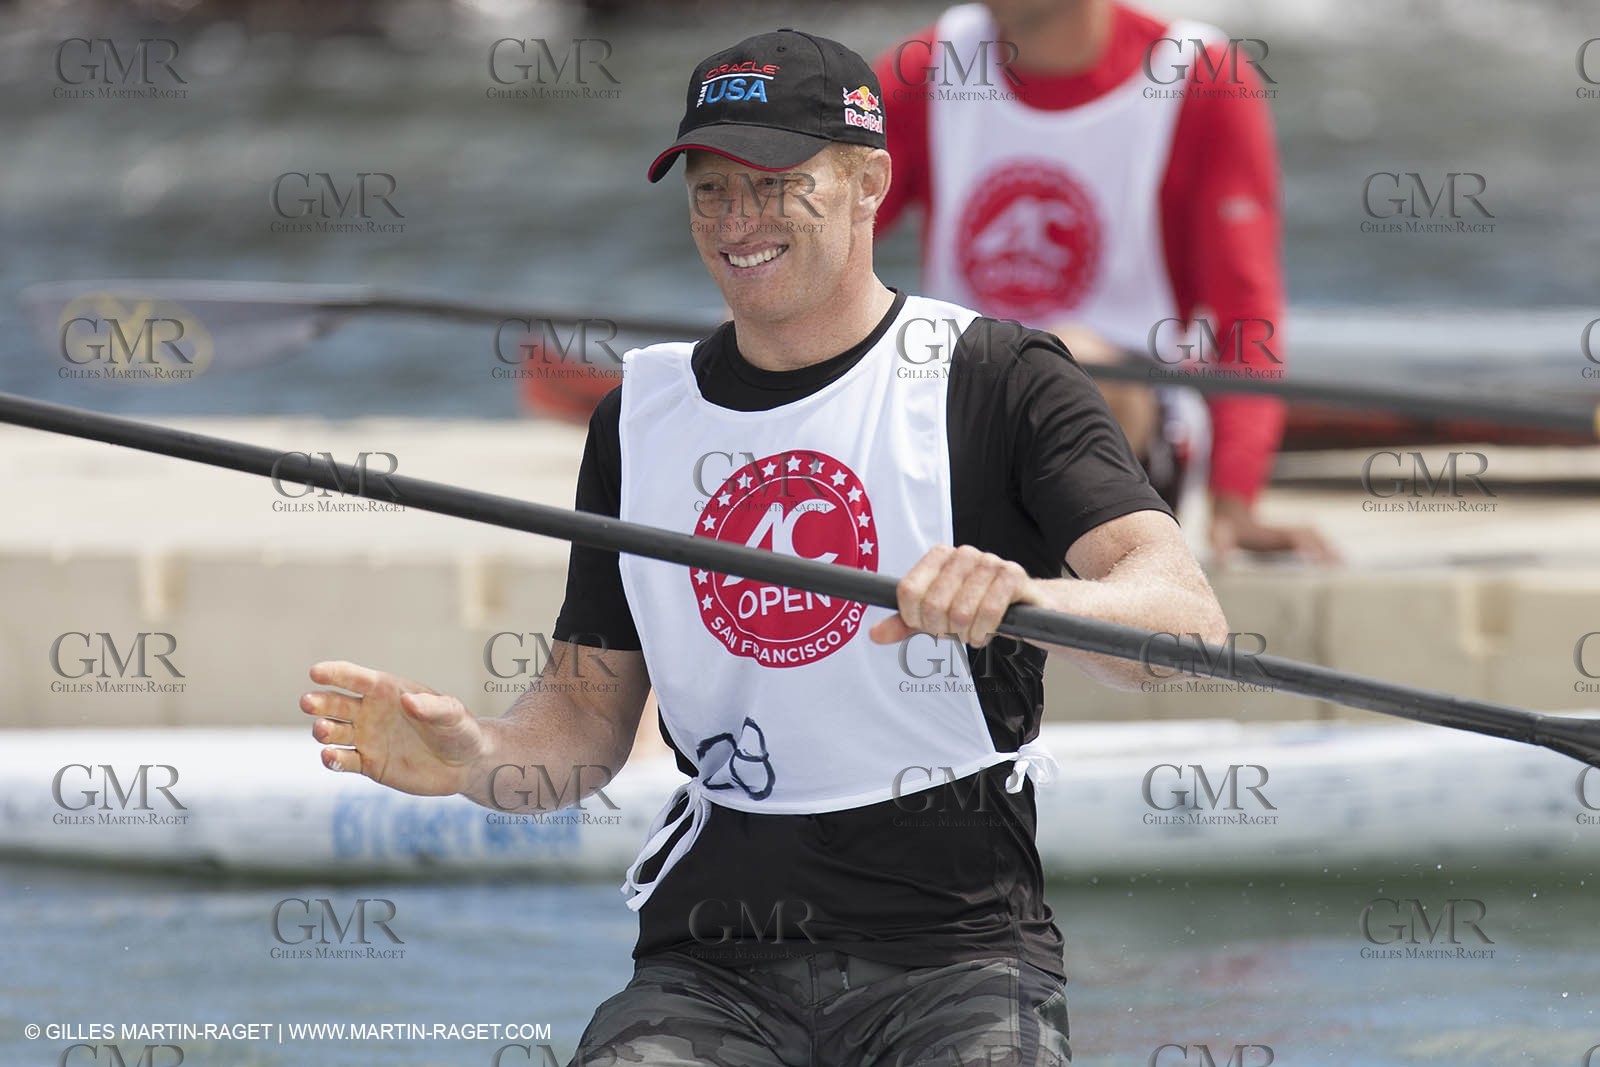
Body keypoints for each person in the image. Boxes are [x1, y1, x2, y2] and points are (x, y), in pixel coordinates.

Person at [301, 29, 1227, 1067]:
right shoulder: (636, 417)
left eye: (776, 185)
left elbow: (1185, 622)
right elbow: (583, 720)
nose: (736, 222)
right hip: (708, 969)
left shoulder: (1004, 379)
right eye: (710, 191)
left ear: (871, 180)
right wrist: (478, 755)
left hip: (956, 960)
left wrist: (1033, 599)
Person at [873, 0, 1338, 564]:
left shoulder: (1200, 78)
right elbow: (833, 235)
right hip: (959, 392)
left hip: (1134, 415)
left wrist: (1235, 496)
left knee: (1061, 360)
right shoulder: (929, 66)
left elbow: (1244, 309)